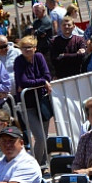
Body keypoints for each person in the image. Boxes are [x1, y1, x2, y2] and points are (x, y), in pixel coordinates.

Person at [13, 35, 53, 166]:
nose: (27, 50)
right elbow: (23, 82)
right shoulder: (19, 61)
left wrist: (41, 81)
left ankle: (45, 163)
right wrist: (42, 82)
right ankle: (34, 165)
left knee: (45, 138)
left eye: (29, 47)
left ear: (35, 48)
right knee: (40, 138)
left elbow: (47, 75)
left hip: (42, 102)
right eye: (23, 48)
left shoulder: (39, 57)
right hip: (27, 104)